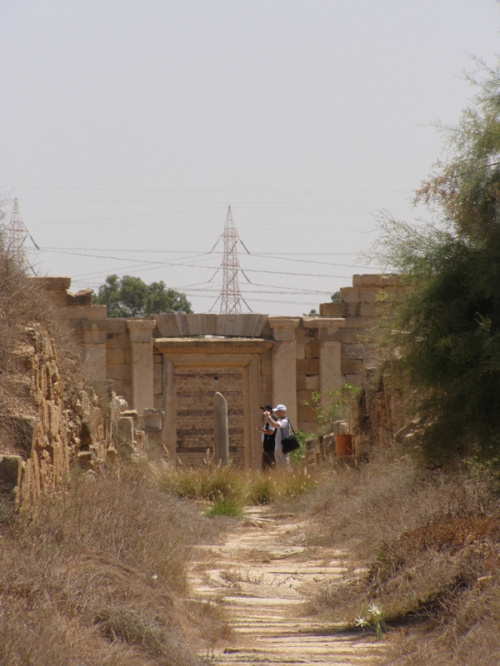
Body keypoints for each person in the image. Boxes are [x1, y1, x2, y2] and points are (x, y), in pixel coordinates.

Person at [263, 404, 291, 468]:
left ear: (282, 412)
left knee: (285, 466)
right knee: (279, 466)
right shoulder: (279, 420)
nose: (276, 413)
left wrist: (269, 417)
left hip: (283, 447)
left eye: (277, 411)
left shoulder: (285, 421)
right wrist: (268, 417)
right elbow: (272, 425)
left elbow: (275, 425)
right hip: (277, 446)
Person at [258, 403, 276, 470]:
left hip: (271, 448)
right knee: (265, 468)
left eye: (265, 410)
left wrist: (262, 430)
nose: (263, 412)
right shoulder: (267, 420)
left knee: (271, 466)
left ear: (270, 411)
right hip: (266, 447)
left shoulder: (272, 419)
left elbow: (271, 432)